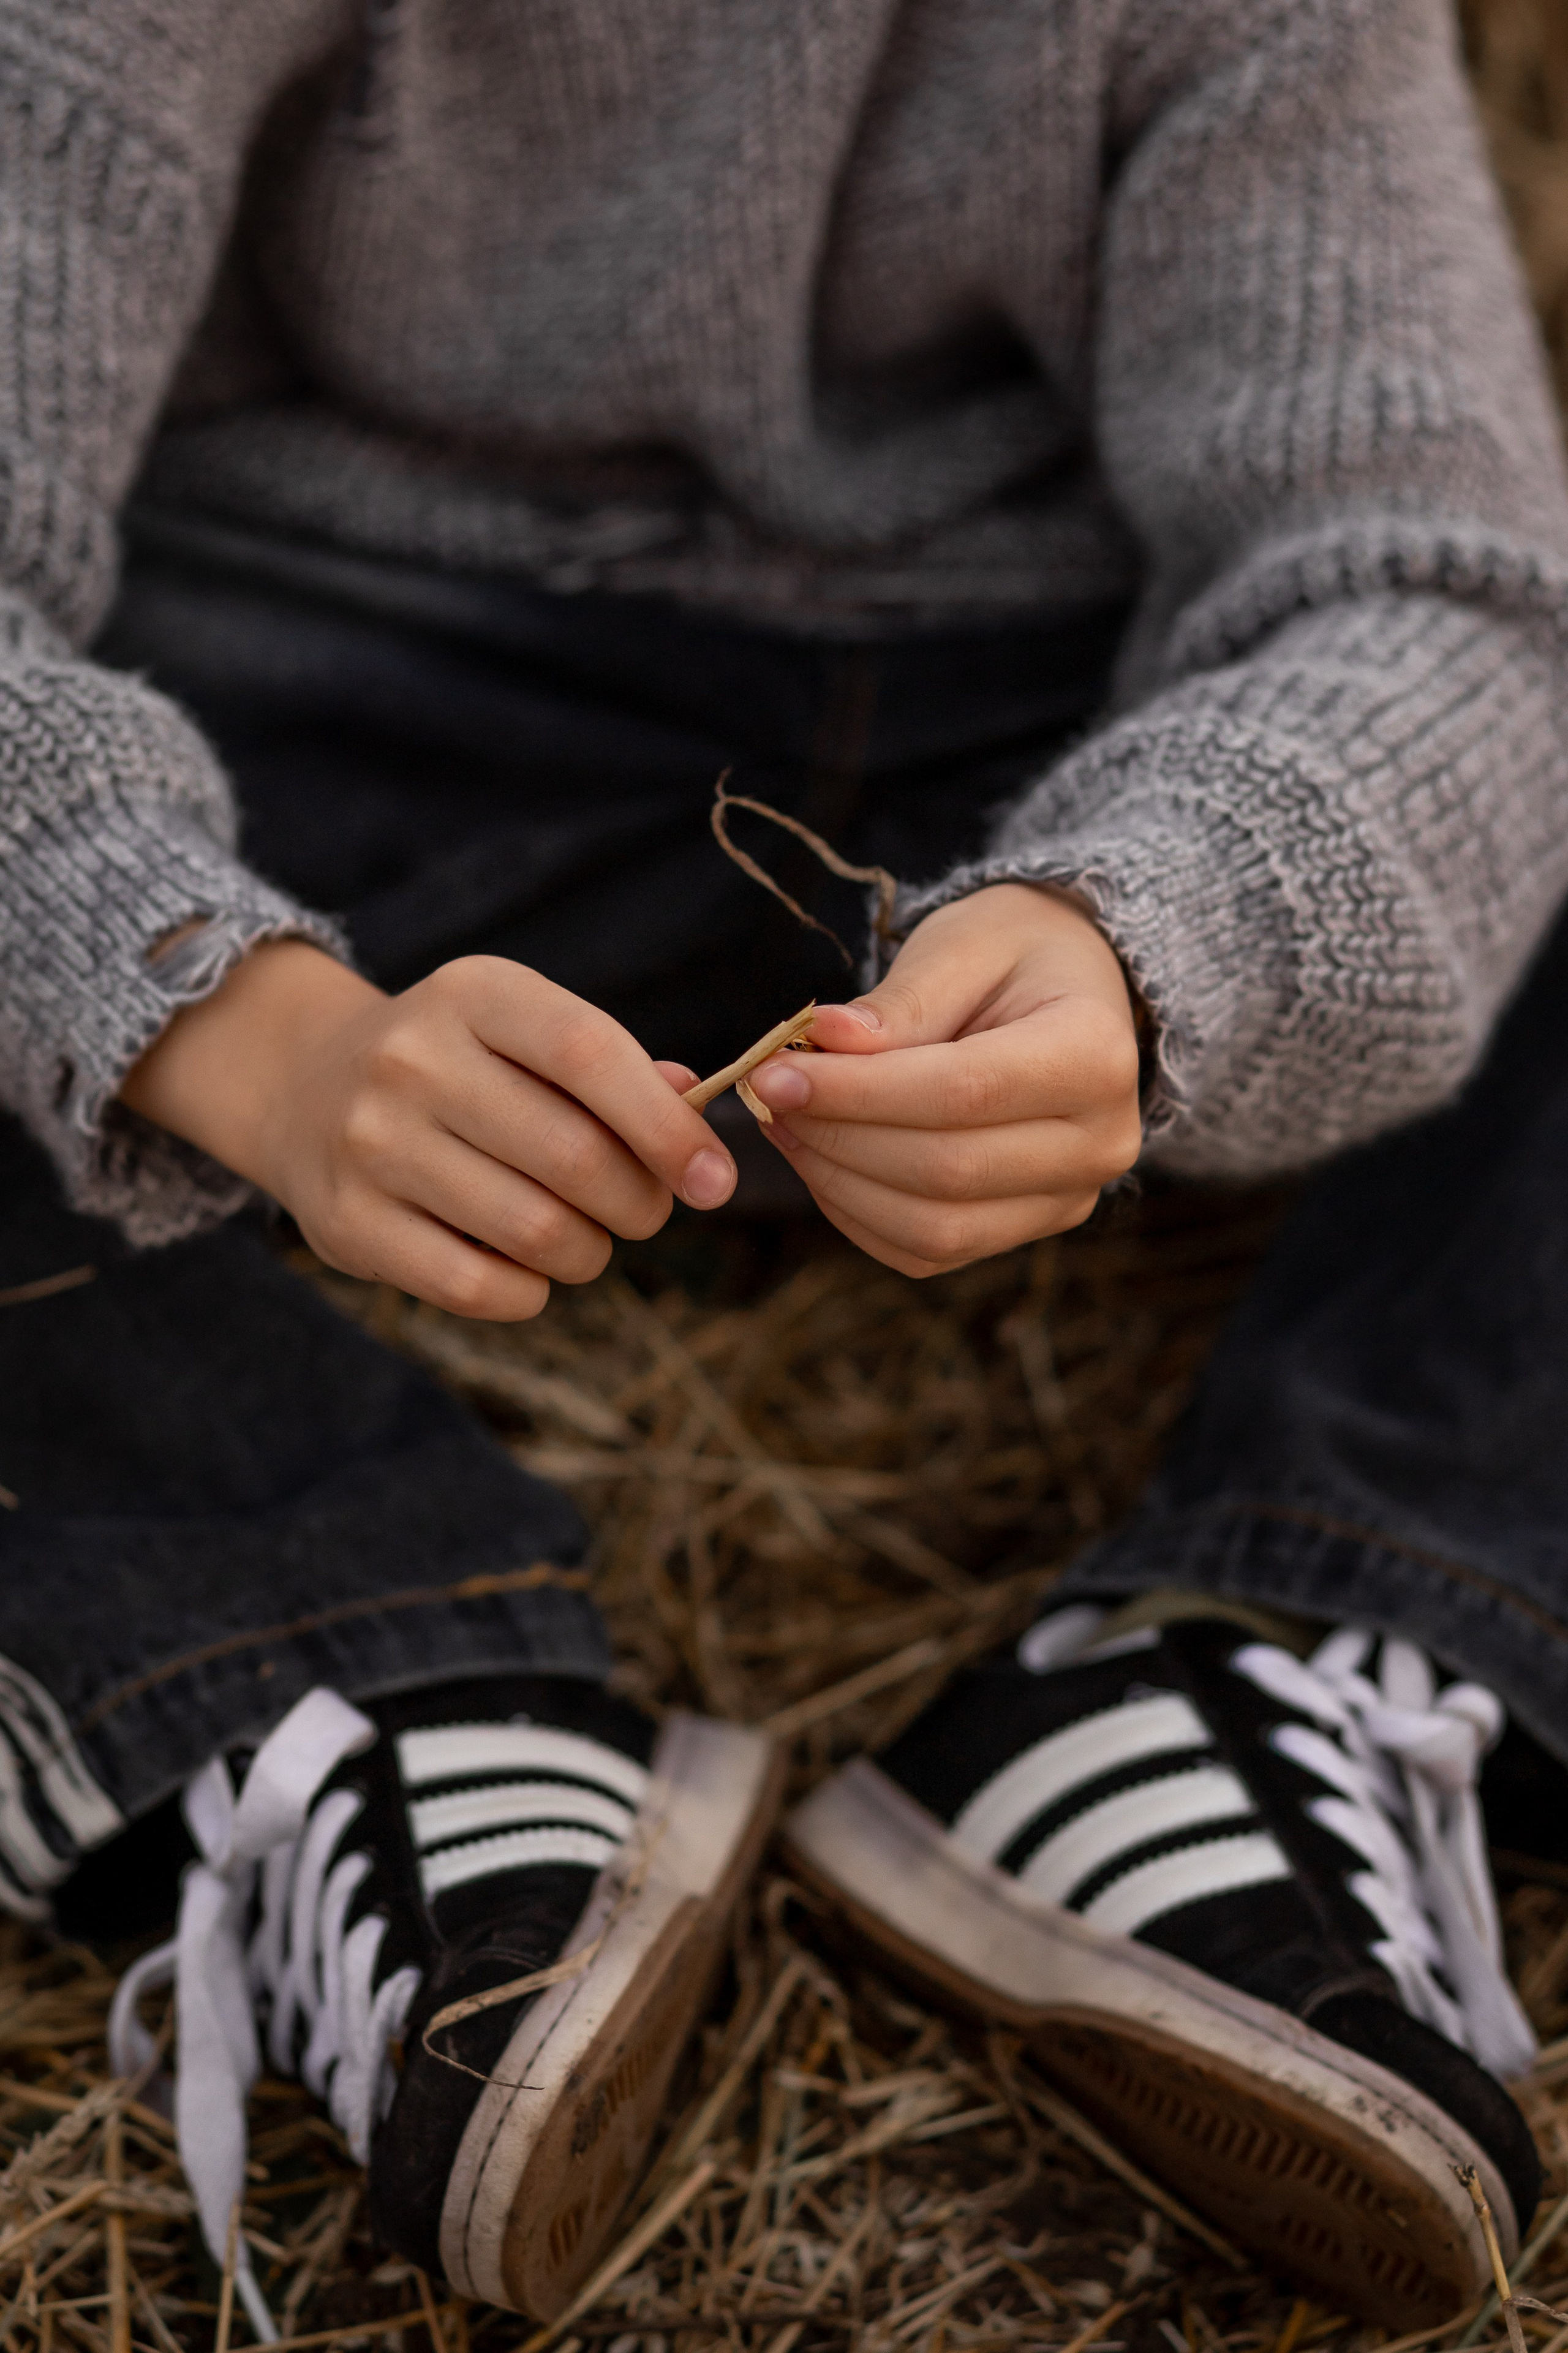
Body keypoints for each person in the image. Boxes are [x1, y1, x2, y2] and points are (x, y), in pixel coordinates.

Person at [2, 0, 1567, 2327]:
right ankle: (328, 1680)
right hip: (307, 695)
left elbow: (1432, 583)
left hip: (1045, 721)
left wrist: (1152, 942)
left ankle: (1283, 1651)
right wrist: (233, 1023)